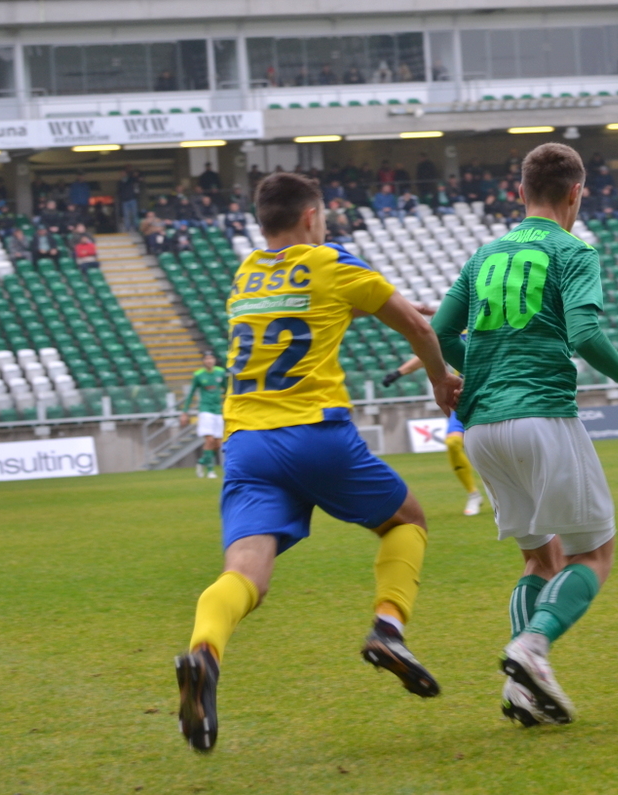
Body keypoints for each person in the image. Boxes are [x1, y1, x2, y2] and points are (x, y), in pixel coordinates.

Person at [174, 172, 462, 752]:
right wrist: (439, 377)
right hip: (313, 432)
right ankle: (388, 628)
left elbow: (304, 315)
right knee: (407, 521)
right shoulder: (332, 262)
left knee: (245, 572)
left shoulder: (245, 274)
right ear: (311, 217)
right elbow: (416, 326)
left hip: (247, 444)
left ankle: (204, 651)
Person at [431, 142, 618, 727]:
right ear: (577, 193)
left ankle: (521, 690)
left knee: (539, 560)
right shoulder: (574, 251)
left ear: (519, 193)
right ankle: (531, 650)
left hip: (484, 428)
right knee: (593, 553)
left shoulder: (484, 255)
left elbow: (438, 328)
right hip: (542, 414)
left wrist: (457, 373)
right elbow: (585, 334)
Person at [383, 353, 484, 516]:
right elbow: (427, 352)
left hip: (490, 398)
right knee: (452, 444)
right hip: (463, 400)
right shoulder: (456, 329)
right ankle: (473, 494)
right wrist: (398, 373)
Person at [181, 351, 228, 479]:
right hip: (206, 410)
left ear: (214, 360)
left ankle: (201, 461)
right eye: (206, 359)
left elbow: (227, 389)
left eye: (211, 358)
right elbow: (191, 394)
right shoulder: (198, 375)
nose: (209, 361)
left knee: (218, 444)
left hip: (218, 410)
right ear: (203, 361)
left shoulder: (220, 372)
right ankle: (211, 470)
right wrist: (185, 412)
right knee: (209, 439)